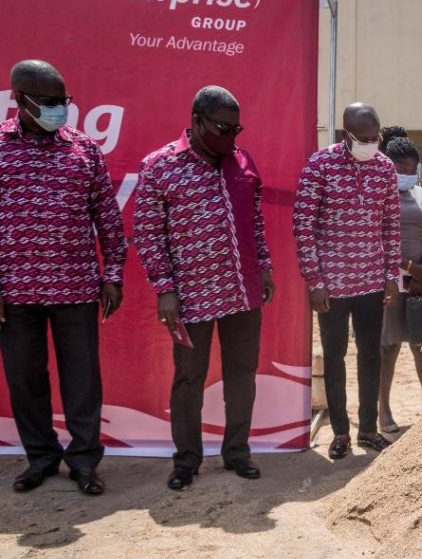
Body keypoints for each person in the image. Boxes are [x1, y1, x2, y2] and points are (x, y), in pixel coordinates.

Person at [135, 85, 274, 491]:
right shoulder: (160, 166)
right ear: (196, 122)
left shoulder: (241, 161)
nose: (231, 137)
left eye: (236, 128)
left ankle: (237, 452)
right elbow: (147, 233)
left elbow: (256, 224)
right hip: (190, 295)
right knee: (189, 378)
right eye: (222, 127)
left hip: (242, 290)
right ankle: (186, 461)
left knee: (242, 374)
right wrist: (165, 288)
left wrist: (264, 267)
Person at [0, 60, 126, 495]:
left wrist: (113, 274)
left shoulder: (84, 149)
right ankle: (41, 457)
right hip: (15, 292)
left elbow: (107, 218)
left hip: (76, 286)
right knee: (25, 378)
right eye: (49, 102)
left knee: (83, 378)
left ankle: (85, 461)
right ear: (19, 99)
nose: (60, 110)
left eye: (63, 101)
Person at [293, 103, 400, 460]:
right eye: (365, 139)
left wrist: (390, 276)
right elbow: (303, 225)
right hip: (331, 286)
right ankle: (340, 433)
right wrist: (315, 280)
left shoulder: (385, 168)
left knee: (370, 355)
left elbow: (390, 226)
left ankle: (368, 429)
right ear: (345, 136)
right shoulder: (320, 165)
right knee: (335, 356)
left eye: (376, 137)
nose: (372, 144)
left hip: (371, 281)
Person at [377, 127, 422, 433]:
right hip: (386, 280)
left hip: (420, 281)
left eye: (412, 169)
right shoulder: (376, 195)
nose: (407, 174)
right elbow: (372, 239)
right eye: (401, 168)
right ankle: (384, 411)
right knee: (386, 347)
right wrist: (406, 267)